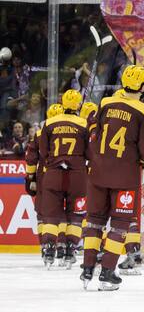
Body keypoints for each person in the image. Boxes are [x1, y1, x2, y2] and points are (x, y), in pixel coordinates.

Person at [80, 65, 144, 291]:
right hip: (125, 176)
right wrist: (143, 165)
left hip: (97, 172)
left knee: (94, 220)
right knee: (120, 225)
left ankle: (87, 269)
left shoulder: (105, 103)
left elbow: (94, 133)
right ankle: (106, 273)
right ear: (143, 86)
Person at [37, 90, 88, 269]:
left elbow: (43, 152)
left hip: (53, 174)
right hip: (78, 176)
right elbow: (90, 152)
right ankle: (70, 251)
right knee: (76, 215)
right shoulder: (84, 124)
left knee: (51, 215)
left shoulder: (49, 123)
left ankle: (49, 249)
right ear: (78, 105)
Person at [24, 103, 65, 264]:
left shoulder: (41, 133)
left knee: (43, 214)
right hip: (69, 175)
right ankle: (62, 246)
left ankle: (45, 247)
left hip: (45, 176)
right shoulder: (74, 128)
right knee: (64, 213)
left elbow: (31, 157)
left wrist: (30, 177)